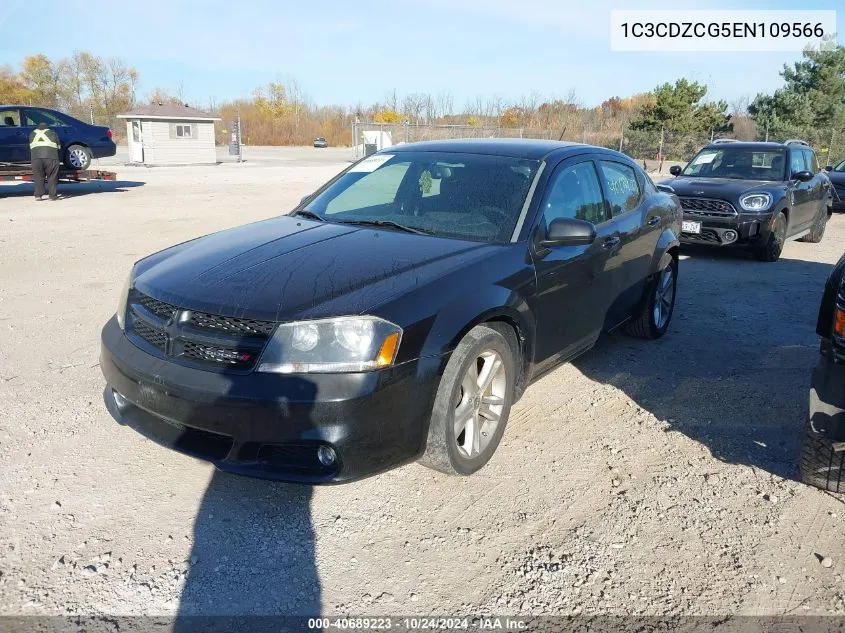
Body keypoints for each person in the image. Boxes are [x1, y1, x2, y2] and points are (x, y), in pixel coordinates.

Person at [29, 122, 62, 201]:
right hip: (51, 157)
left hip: (36, 158)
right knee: (52, 177)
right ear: (47, 128)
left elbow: (31, 147)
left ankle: (38, 195)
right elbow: (59, 146)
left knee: (38, 177)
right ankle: (52, 196)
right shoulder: (52, 133)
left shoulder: (32, 134)